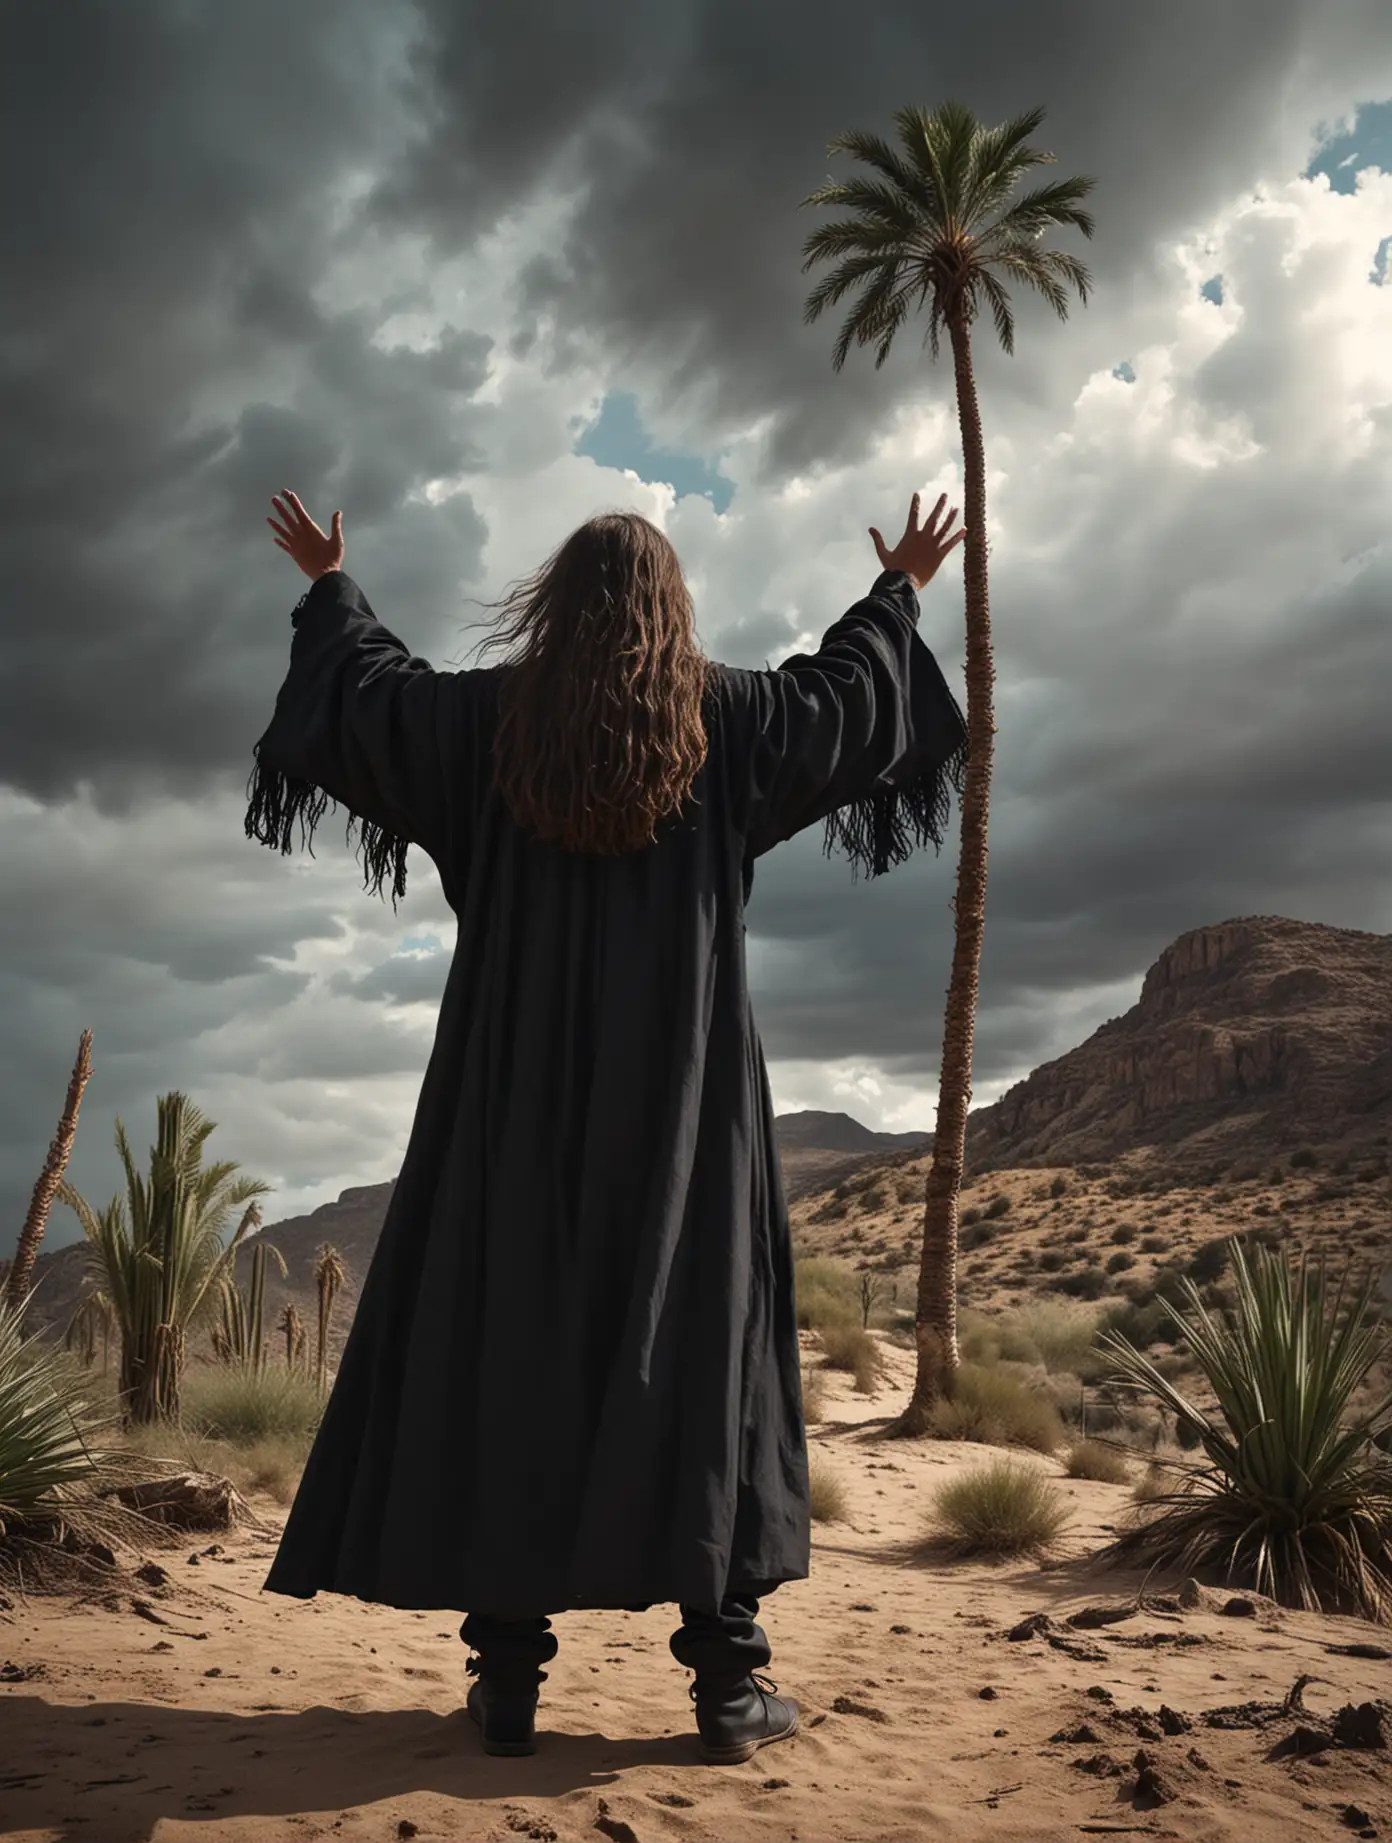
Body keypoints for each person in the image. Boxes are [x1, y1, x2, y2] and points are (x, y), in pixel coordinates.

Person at [247, 487, 969, 1764]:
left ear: (555, 604)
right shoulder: (731, 719)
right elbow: (848, 698)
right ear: (671, 609)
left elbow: (371, 693)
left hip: (510, 1101)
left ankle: (512, 1685)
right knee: (704, 1353)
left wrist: (331, 584)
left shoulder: (483, 724)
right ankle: (727, 1692)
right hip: (686, 1109)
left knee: (518, 1344)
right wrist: (899, 589)